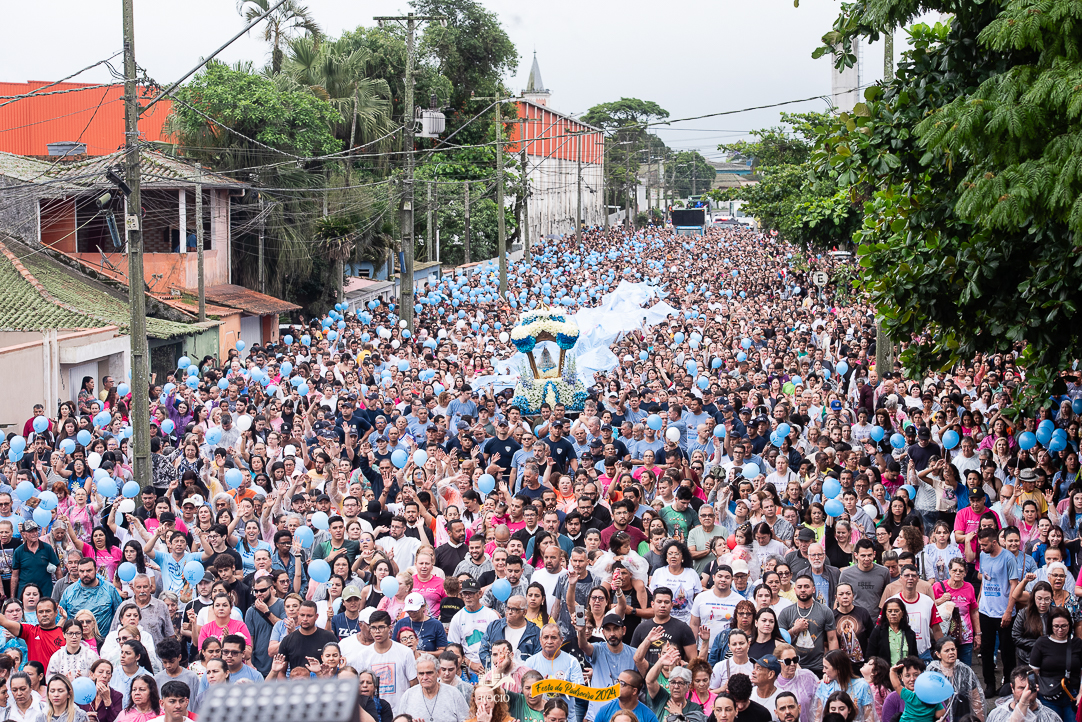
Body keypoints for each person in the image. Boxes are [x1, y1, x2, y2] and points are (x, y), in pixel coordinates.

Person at [978, 526, 1021, 697]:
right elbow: (984, 580)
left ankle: (1008, 683)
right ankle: (989, 683)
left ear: (994, 542)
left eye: (984, 545)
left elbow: (1014, 586)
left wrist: (1009, 611)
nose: (982, 548)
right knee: (987, 650)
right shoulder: (983, 555)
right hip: (986, 610)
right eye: (980, 545)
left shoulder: (1008, 558)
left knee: (1007, 650)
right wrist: (979, 599)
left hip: (1003, 610)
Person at [346, 611, 417, 710]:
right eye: (373, 628)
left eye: (381, 627)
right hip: (374, 712)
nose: (377, 631)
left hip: (400, 712)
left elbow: (414, 685)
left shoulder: (405, 652)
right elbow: (359, 687)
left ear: (390, 628)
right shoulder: (363, 655)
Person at [577, 614, 641, 722]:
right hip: (597, 716)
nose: (612, 633)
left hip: (625, 718)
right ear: (603, 633)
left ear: (624, 630)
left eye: (616, 629)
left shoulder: (634, 654)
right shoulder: (597, 649)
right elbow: (583, 645)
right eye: (607, 629)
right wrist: (581, 630)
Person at [776, 575, 837, 676]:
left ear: (813, 589)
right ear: (795, 590)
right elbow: (779, 642)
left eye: (806, 587)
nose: (803, 590)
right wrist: (795, 629)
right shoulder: (786, 612)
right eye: (799, 587)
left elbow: (832, 639)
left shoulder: (825, 611)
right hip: (793, 666)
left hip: (818, 667)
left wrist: (832, 664)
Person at [1029, 607, 1082, 721]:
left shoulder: (1077, 643)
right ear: (1050, 626)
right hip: (1048, 695)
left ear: (1070, 625)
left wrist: (1081, 693)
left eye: (1064, 626)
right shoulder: (1042, 643)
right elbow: (1033, 672)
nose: (1060, 630)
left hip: (1071, 694)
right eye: (1056, 626)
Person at [887, 566, 943, 660]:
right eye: (906, 575)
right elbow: (882, 628)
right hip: (898, 655)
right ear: (900, 578)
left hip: (923, 654)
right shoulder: (891, 602)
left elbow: (936, 629)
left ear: (918, 579)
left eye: (913, 575)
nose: (910, 578)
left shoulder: (928, 601)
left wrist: (942, 650)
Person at [392, 654, 469, 722]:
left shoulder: (453, 694)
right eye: (421, 674)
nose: (425, 677)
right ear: (417, 675)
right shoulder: (408, 695)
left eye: (429, 673)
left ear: (438, 673)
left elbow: (467, 720)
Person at [629, 588, 697, 665]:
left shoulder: (683, 628)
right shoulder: (641, 628)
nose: (663, 605)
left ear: (671, 605)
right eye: (659, 602)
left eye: (666, 602)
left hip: (673, 674)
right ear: (652, 604)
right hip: (647, 674)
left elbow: (693, 660)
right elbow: (633, 656)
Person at [446, 579, 500, 672]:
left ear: (479, 594)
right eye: (465, 593)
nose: (467, 597)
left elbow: (499, 643)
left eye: (471, 593)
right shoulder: (457, 618)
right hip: (466, 666)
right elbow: (453, 649)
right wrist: (470, 664)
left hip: (491, 664)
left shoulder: (491, 615)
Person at [927, 636, 983, 722]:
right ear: (938, 654)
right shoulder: (932, 671)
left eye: (953, 649)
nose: (951, 653)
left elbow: (975, 698)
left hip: (961, 715)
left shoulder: (965, 670)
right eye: (947, 650)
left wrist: (980, 718)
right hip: (939, 716)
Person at [276, 600, 337, 675]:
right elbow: (281, 672)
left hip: (322, 683)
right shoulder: (288, 640)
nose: (305, 619)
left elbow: (335, 665)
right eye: (302, 615)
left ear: (316, 616)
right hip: (297, 684)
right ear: (298, 614)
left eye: (309, 616)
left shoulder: (329, 637)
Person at [814, 650, 874, 722]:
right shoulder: (824, 685)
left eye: (826, 668)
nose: (823, 671)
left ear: (838, 669)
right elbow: (818, 717)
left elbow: (869, 718)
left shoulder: (862, 686)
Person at [985, 666, 1060, 722]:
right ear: (1012, 688)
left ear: (1037, 687)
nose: (1025, 693)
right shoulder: (997, 715)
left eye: (1029, 688)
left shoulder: (1051, 717)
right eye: (1021, 688)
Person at [838, 540, 891, 611]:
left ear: (874, 554)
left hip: (876, 618)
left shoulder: (884, 572)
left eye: (869, 555)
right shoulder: (846, 574)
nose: (866, 559)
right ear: (856, 555)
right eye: (863, 556)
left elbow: (887, 596)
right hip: (854, 618)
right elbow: (839, 598)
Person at [592, 670, 659, 722]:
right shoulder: (604, 711)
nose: (616, 686)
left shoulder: (648, 716)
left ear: (634, 691)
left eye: (622, 683)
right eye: (617, 681)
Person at [1013, 581, 1053, 667]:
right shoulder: (1023, 613)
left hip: (1050, 658)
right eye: (1039, 598)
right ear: (1033, 598)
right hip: (1027, 659)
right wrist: (1039, 645)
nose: (1043, 602)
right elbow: (1016, 637)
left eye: (1047, 599)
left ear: (1051, 599)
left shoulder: (1055, 614)